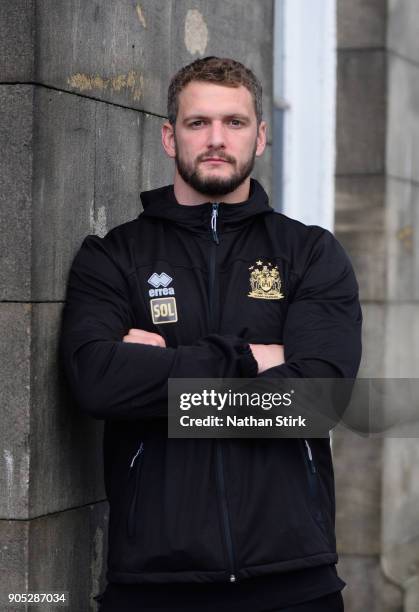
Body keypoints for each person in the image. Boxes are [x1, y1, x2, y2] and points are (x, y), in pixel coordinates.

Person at [60, 56, 362, 611]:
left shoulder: (311, 254)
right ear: (170, 138)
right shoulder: (114, 257)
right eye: (199, 123)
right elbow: (98, 384)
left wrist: (161, 379)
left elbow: (319, 400)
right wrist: (257, 360)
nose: (217, 139)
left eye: (235, 122)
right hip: (153, 583)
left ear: (261, 136)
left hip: (294, 578)